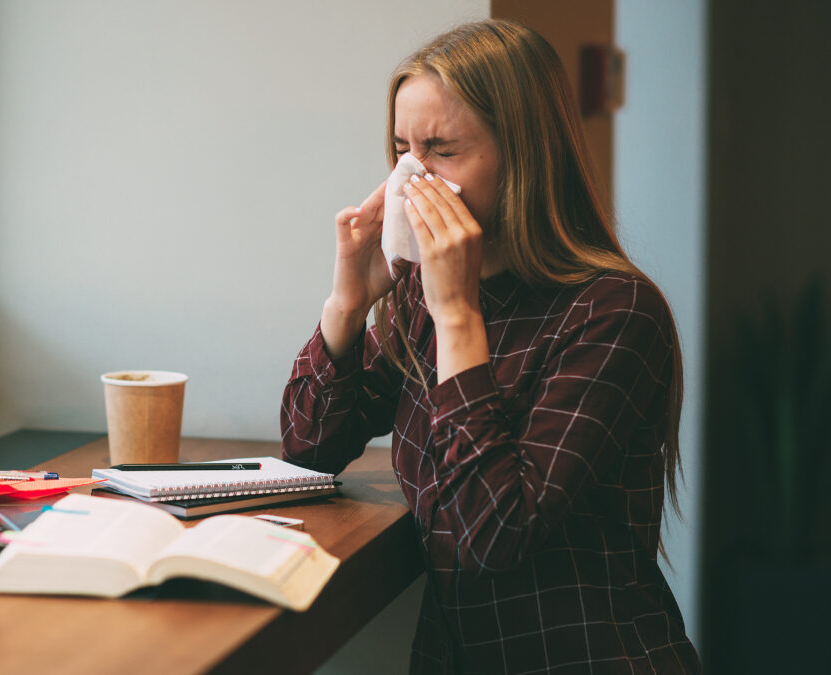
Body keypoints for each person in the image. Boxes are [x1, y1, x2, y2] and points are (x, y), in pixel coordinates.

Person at [280, 19, 701, 674]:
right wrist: (347, 305)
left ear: (523, 156)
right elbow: (309, 450)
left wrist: (457, 316)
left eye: (442, 151)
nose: (411, 180)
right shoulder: (423, 296)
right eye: (402, 151)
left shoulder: (614, 312)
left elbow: (490, 534)